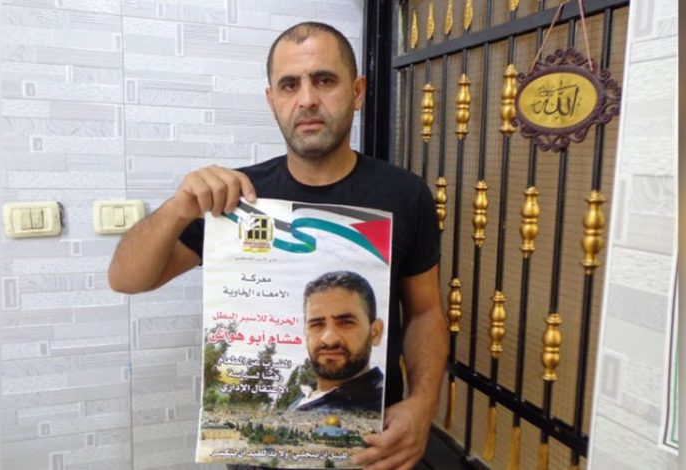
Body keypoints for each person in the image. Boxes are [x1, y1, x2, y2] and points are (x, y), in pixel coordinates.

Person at [108, 21, 448, 470]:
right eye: (290, 85)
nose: (307, 99)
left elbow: (425, 312)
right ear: (272, 100)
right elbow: (126, 279)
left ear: (357, 91)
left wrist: (423, 404)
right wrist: (176, 208)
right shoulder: (236, 199)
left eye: (324, 80)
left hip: (373, 453)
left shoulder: (405, 195)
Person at [289, 271, 385, 413]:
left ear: (375, 332)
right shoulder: (304, 396)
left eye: (345, 323)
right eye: (317, 324)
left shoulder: (381, 407)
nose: (329, 339)